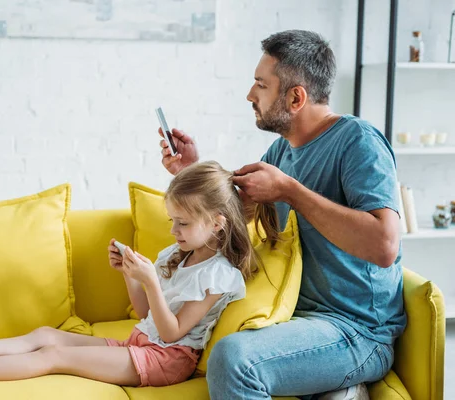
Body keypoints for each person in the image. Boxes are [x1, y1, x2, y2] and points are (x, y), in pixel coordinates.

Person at [159, 30, 406, 400]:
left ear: (295, 97)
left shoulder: (358, 141)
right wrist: (191, 172)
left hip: (357, 330)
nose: (249, 95)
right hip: (293, 320)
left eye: (261, 84)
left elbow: (385, 245)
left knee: (234, 359)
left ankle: (343, 383)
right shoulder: (281, 152)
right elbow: (227, 219)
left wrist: (290, 191)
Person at [0, 161, 278, 390]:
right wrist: (131, 274)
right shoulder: (177, 253)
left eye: (183, 224)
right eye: (171, 221)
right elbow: (143, 312)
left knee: (54, 355)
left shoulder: (220, 275)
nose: (173, 232)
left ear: (217, 225)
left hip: (168, 360)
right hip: (144, 343)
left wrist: (153, 281)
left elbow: (174, 332)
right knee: (46, 335)